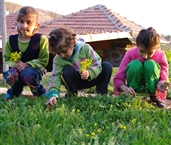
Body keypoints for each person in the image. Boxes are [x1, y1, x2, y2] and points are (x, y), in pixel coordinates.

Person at [46, 27, 113, 107]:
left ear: (72, 43)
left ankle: (102, 94)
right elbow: (55, 76)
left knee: (107, 66)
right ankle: (72, 94)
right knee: (67, 70)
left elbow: (97, 63)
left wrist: (89, 72)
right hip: (76, 81)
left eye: (64, 51)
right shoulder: (58, 59)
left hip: (92, 77)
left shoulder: (85, 48)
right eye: (58, 53)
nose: (62, 55)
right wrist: (53, 94)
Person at [113, 27, 169, 108]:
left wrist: (162, 83)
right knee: (135, 64)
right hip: (133, 88)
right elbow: (118, 77)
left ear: (156, 49)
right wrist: (125, 89)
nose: (145, 56)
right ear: (136, 46)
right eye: (141, 51)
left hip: (154, 88)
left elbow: (164, 76)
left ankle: (155, 96)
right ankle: (131, 95)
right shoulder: (130, 53)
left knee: (150, 64)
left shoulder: (161, 56)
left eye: (150, 53)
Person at [3, 6, 49, 99]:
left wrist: (27, 65)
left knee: (27, 74)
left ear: (36, 25)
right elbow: (7, 58)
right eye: (21, 21)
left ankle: (39, 90)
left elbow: (43, 60)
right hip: (17, 70)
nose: (24, 26)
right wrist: (15, 64)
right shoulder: (11, 40)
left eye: (29, 23)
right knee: (9, 75)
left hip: (35, 70)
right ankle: (15, 90)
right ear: (17, 22)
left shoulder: (41, 39)